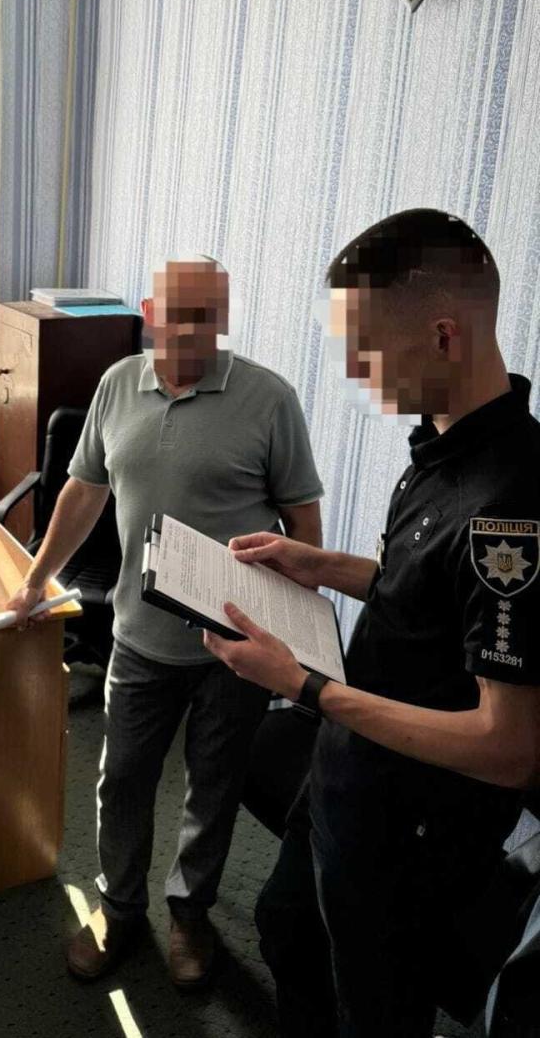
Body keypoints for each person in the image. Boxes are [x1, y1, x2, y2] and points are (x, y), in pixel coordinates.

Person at [202, 210, 540, 1037]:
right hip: (347, 773)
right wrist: (320, 565)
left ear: (444, 336)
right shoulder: (438, 443)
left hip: (412, 835)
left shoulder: (513, 505)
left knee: (376, 1010)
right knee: (287, 928)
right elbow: (422, 594)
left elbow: (508, 745)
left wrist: (304, 686)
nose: (353, 370)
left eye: (367, 347)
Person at [8, 255, 323, 988]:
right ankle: (120, 907)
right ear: (151, 313)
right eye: (179, 315)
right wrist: (34, 580)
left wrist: (294, 633)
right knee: (121, 779)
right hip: (138, 636)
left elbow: (303, 526)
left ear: (224, 317)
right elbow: (81, 493)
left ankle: (189, 914)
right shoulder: (118, 385)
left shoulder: (269, 399)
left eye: (208, 316)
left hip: (234, 650)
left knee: (213, 787)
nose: (192, 331)